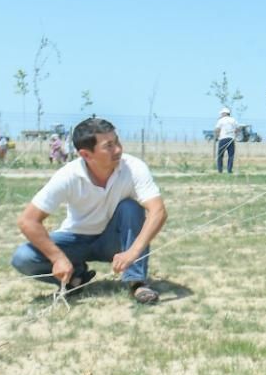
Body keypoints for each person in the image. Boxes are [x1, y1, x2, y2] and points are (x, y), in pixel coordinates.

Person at [10, 117, 167, 304]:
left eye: (117, 141)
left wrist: (132, 253)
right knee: (23, 257)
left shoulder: (134, 168)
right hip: (76, 239)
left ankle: (137, 281)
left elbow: (158, 211)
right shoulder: (68, 176)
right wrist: (58, 258)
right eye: (108, 146)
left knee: (130, 207)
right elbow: (28, 220)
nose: (118, 149)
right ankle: (76, 278)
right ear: (86, 155)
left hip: (114, 240)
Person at [214, 107, 238, 174]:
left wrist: (216, 137)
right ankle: (229, 170)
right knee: (231, 156)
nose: (221, 115)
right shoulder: (233, 120)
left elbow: (217, 129)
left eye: (221, 113)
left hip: (223, 139)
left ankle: (220, 170)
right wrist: (235, 135)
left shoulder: (221, 120)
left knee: (220, 156)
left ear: (224, 113)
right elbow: (237, 129)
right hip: (231, 139)